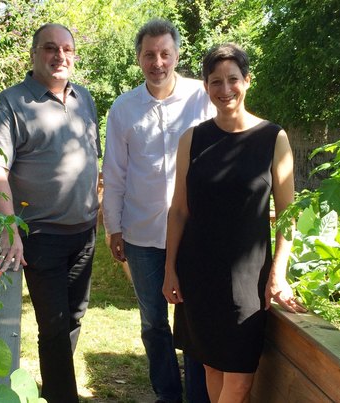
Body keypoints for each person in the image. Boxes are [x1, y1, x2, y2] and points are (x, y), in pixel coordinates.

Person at [162, 43, 308, 403]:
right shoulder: (192, 140)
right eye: (215, 82)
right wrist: (170, 270)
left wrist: (279, 273)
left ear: (247, 81)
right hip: (199, 273)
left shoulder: (274, 139)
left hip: (248, 279)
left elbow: (288, 216)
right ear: (206, 87)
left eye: (232, 79)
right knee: (212, 367)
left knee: (240, 380)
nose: (225, 90)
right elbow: (179, 210)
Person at [0, 23, 100, 403]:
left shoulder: (84, 99)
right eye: (50, 48)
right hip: (41, 235)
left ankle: (54, 387)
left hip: (84, 231)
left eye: (66, 49)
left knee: (74, 317)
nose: (59, 56)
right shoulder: (10, 104)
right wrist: (9, 228)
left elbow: (89, 158)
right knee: (53, 325)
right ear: (34, 53)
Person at [102, 19, 214, 403]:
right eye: (149, 54)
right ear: (138, 59)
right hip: (142, 235)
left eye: (165, 53)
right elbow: (114, 173)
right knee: (153, 321)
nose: (158, 62)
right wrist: (113, 228)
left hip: (196, 233)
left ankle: (198, 394)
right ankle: (168, 393)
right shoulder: (123, 108)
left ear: (177, 55)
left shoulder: (204, 97)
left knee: (196, 319)